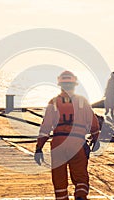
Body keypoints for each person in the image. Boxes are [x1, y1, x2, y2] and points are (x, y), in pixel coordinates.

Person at [34, 71, 100, 200]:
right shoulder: (82, 101)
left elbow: (45, 127)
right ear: (75, 85)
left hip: (58, 143)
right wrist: (95, 138)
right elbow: (94, 123)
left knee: (59, 177)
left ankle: (61, 198)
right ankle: (81, 195)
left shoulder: (53, 102)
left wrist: (39, 147)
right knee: (80, 174)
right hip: (77, 143)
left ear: (60, 85)